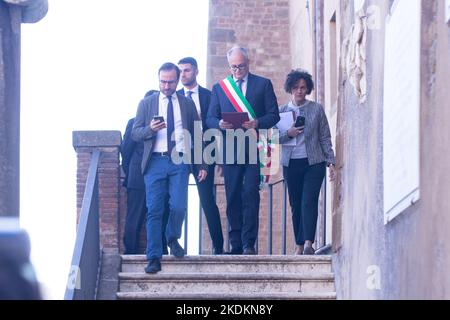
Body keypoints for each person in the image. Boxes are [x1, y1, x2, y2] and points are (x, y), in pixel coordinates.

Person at [132, 62, 207, 273]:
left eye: (170, 81)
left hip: (179, 160)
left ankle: (172, 236)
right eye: (163, 81)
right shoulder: (146, 104)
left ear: (177, 80)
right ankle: (154, 256)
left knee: (178, 207)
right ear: (158, 80)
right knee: (154, 210)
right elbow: (134, 133)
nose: (166, 86)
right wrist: (150, 129)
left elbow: (198, 135)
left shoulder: (187, 104)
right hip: (154, 162)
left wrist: (202, 164)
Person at [206, 46, 280, 255]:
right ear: (229, 66)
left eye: (241, 66)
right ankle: (235, 243)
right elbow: (210, 118)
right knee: (232, 197)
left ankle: (249, 243)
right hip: (231, 149)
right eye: (233, 67)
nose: (237, 70)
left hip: (255, 147)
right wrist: (220, 123)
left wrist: (257, 122)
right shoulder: (220, 88)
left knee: (250, 195)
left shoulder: (263, 84)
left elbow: (274, 115)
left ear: (248, 63)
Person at [277, 69, 336, 255]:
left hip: (314, 162)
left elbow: (325, 137)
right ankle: (299, 244)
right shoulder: (282, 112)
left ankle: (309, 243)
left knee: (308, 201)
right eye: (296, 87)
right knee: (295, 204)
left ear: (308, 89)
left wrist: (331, 161)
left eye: (303, 87)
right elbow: (271, 138)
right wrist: (289, 133)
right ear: (290, 89)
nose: (299, 91)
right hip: (291, 164)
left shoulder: (316, 109)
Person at [177, 57, 224, 255]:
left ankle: (218, 246)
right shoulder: (174, 96)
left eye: (187, 70)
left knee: (207, 200)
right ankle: (171, 243)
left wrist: (218, 155)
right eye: (180, 71)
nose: (183, 74)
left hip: (205, 153)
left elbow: (216, 125)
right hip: (179, 153)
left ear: (195, 71)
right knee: (175, 199)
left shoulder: (208, 95)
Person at [120, 89, 169, 255]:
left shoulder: (166, 125)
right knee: (136, 215)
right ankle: (131, 251)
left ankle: (161, 249)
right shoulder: (134, 123)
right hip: (139, 176)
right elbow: (126, 150)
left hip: (159, 176)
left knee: (159, 214)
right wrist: (129, 173)